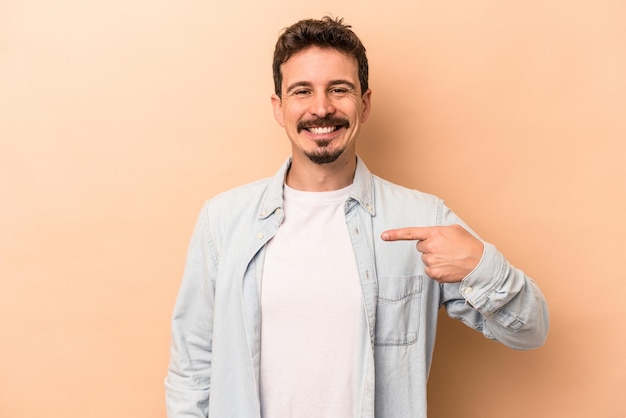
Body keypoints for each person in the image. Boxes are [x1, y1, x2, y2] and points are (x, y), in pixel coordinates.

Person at [165, 16, 549, 418]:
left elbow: (530, 332)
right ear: (279, 108)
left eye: (339, 89)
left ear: (364, 104)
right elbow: (191, 370)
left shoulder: (422, 218)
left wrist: (481, 268)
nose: (321, 108)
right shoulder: (223, 221)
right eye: (302, 91)